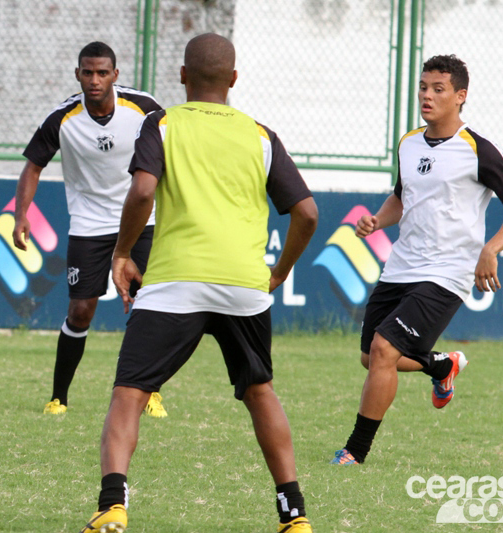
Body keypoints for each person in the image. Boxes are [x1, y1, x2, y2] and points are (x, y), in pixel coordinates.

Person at [79, 33, 319, 533]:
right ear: (233, 79)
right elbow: (308, 213)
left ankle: (112, 505)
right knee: (260, 391)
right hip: (243, 285)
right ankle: (294, 515)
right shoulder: (259, 134)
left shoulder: (161, 123)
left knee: (130, 393)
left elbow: (143, 188)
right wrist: (281, 270)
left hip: (176, 282)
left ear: (183, 77)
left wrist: (122, 252)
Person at [331, 54, 503, 465]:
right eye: (424, 87)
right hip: (402, 265)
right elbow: (402, 198)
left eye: (438, 89)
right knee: (371, 356)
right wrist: (378, 220)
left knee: (386, 350)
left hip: (448, 272)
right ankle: (441, 365)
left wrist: (490, 249)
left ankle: (355, 451)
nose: (427, 95)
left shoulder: (478, 149)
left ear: (460, 97)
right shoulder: (408, 142)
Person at [13, 42, 167, 417]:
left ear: (115, 74)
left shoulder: (145, 109)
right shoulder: (62, 119)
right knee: (81, 310)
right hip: (89, 224)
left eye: (102, 73)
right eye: (87, 72)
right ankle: (58, 397)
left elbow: (175, 149)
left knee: (151, 306)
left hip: (141, 220)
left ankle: (151, 393)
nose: (94, 80)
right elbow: (33, 166)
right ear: (78, 74)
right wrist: (21, 216)